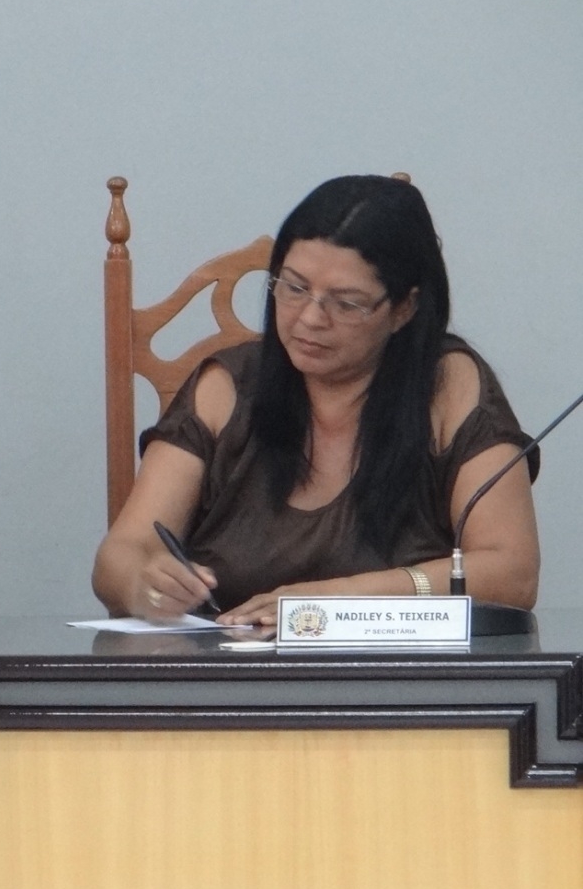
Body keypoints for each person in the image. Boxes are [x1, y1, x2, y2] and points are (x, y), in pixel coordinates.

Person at [93, 175, 539, 628]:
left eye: (346, 304)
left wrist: (333, 601)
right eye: (294, 287)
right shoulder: (226, 386)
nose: (309, 318)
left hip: (396, 670)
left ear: (404, 308)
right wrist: (145, 585)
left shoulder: (448, 386)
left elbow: (512, 574)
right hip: (232, 666)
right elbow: (120, 557)